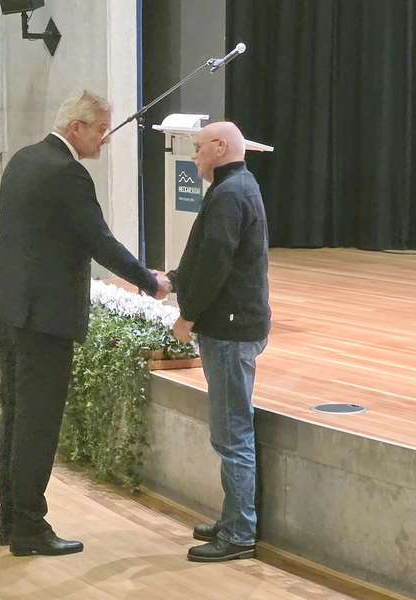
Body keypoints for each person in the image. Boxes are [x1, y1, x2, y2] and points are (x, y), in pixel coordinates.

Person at [0, 90, 170, 557]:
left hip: (8, 309)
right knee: (38, 424)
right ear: (77, 129)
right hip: (44, 319)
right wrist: (151, 282)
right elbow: (100, 242)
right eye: (101, 129)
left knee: (15, 416)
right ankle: (29, 528)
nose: (106, 138)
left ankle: (11, 520)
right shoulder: (68, 173)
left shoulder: (24, 159)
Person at [167, 121, 271, 563]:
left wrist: (187, 316)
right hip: (234, 325)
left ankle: (239, 534)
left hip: (230, 330)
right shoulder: (236, 186)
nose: (193, 156)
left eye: (198, 148)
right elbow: (203, 251)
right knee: (230, 431)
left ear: (220, 147)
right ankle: (233, 518)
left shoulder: (230, 193)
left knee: (232, 435)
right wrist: (173, 280)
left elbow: (215, 264)